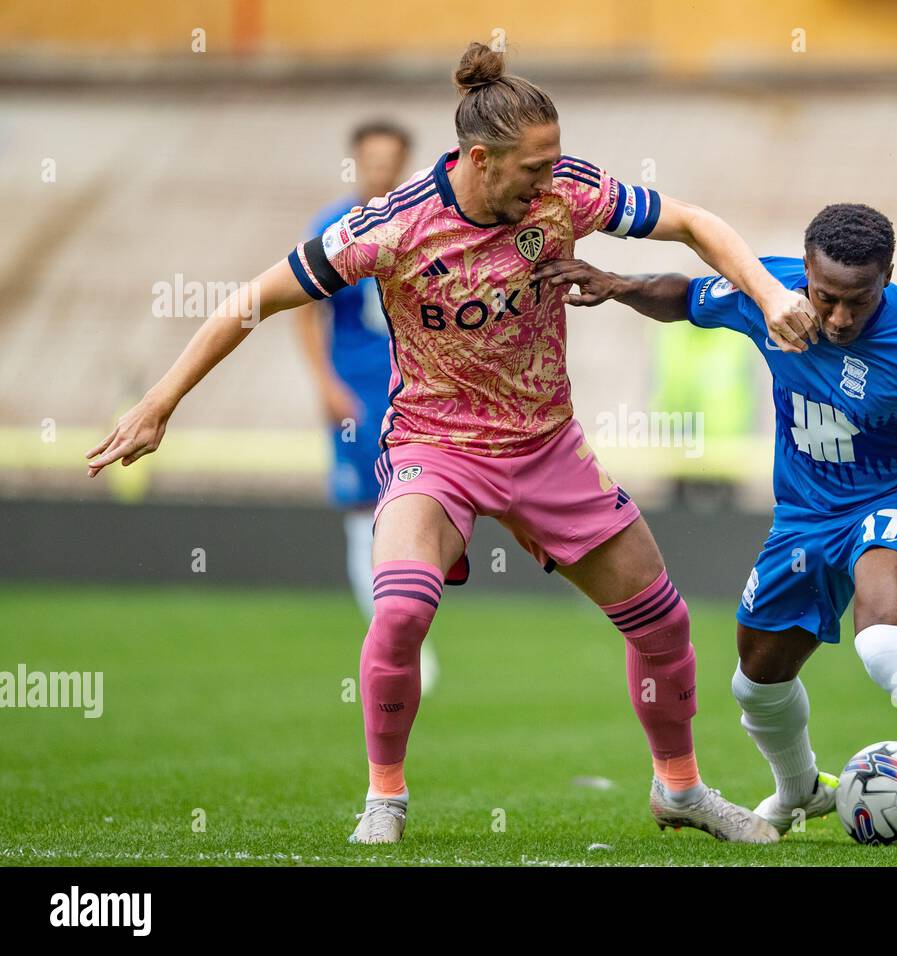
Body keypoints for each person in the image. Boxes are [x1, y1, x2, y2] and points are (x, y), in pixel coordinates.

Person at [85, 41, 820, 846]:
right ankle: (386, 800)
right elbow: (248, 302)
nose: (553, 181)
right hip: (437, 453)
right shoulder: (389, 228)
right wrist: (160, 402)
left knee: (663, 626)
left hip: (547, 448)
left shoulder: (564, 194)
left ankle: (679, 790)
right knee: (399, 613)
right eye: (535, 168)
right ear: (479, 158)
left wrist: (771, 291)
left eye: (555, 163)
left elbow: (689, 221)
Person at [533, 203, 897, 862]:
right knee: (756, 682)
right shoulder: (771, 295)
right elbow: (688, 297)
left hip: (894, 500)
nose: (837, 318)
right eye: (825, 297)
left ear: (887, 279)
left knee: (887, 648)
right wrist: (618, 283)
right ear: (805, 271)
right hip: (804, 516)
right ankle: (799, 790)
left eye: (857, 303)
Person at [294, 119, 440, 695]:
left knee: (416, 510)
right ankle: (401, 643)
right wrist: (324, 382)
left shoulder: (420, 219)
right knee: (363, 516)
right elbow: (305, 308)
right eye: (369, 159)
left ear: (403, 164)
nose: (378, 169)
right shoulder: (332, 228)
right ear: (355, 161)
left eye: (389, 160)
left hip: (416, 392)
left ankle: (407, 630)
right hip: (357, 391)